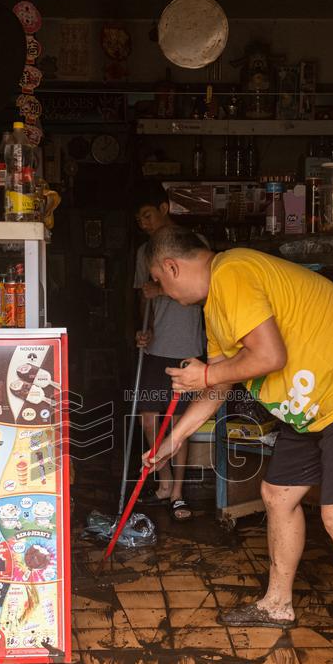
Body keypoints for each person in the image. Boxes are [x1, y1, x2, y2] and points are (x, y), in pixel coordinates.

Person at [142, 225, 333, 664]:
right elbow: (220, 384)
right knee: (277, 494)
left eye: (160, 280)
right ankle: (277, 603)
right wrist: (174, 438)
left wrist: (207, 372)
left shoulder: (233, 271)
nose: (164, 292)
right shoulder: (216, 306)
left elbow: (268, 355)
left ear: (172, 267)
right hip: (310, 405)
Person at [131, 183, 206, 522]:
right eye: (139, 219)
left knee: (179, 421)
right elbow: (141, 296)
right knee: (149, 416)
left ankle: (178, 492)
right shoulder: (144, 252)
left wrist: (159, 290)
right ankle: (163, 482)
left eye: (148, 215)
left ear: (164, 208)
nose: (144, 223)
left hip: (187, 344)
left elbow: (204, 295)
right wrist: (144, 330)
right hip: (156, 347)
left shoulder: (193, 244)